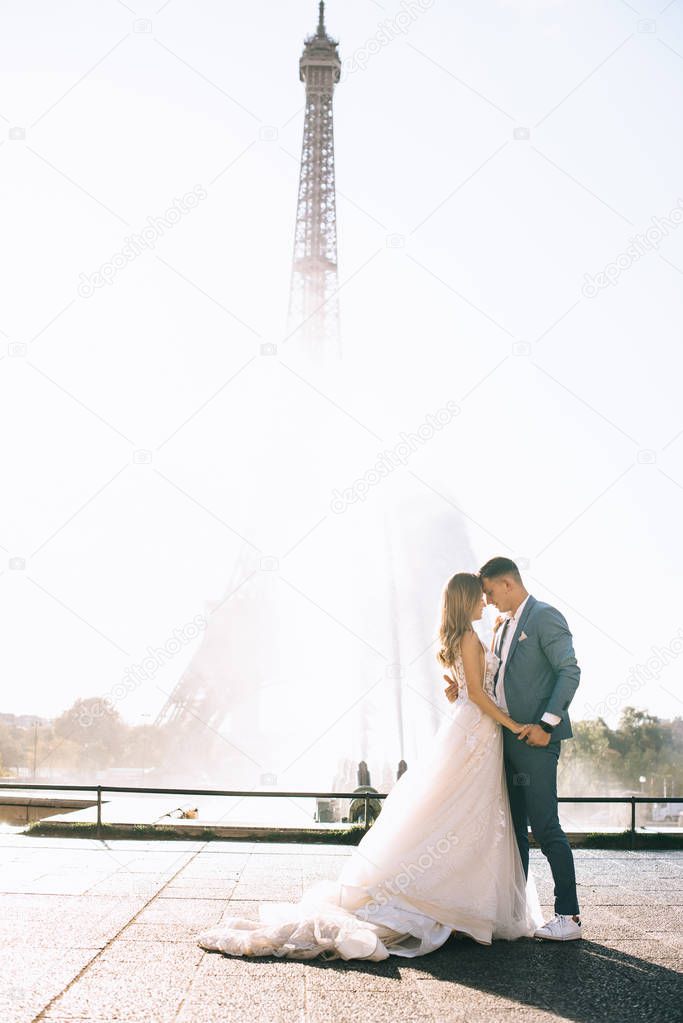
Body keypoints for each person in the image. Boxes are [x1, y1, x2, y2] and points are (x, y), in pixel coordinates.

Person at [196, 572, 544, 962]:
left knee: (459, 814)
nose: (485, 602)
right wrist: (514, 725)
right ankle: (458, 900)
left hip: (473, 731)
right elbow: (478, 694)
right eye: (480, 597)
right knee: (462, 813)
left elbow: (468, 691)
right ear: (466, 600)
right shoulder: (467, 636)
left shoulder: (466, 635)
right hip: (477, 731)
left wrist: (466, 692)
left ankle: (460, 899)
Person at [472, 556, 582, 941]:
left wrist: (547, 726)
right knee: (516, 830)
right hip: (507, 740)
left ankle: (568, 917)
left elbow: (570, 671)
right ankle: (518, 911)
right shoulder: (503, 627)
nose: (486, 601)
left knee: (546, 826)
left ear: (506, 583)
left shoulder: (545, 617)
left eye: (488, 592)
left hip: (537, 741)